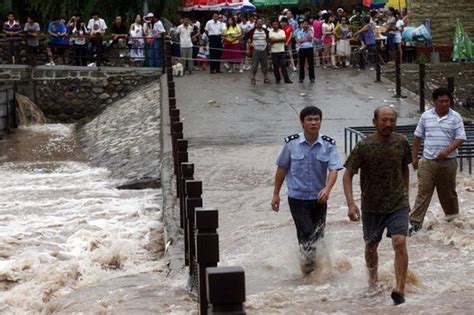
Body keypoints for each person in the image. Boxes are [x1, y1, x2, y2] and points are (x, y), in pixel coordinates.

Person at [343, 106, 412, 305]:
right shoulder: (364, 146)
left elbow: (404, 168)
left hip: (397, 203)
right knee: (372, 246)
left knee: (399, 241)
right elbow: (347, 175)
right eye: (384, 120)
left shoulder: (401, 142)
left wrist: (406, 195)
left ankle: (400, 288)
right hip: (371, 205)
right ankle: (372, 282)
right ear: (374, 122)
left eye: (392, 120)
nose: (388, 124)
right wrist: (351, 204)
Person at [272, 106, 342, 275]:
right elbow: (282, 168)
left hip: (319, 199)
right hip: (298, 198)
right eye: (309, 120)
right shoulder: (291, 144)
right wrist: (276, 194)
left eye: (316, 119)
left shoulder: (328, 144)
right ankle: (309, 272)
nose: (313, 123)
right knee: (306, 234)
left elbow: (334, 169)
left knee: (318, 236)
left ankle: (316, 270)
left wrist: (327, 188)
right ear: (302, 123)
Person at [409, 88, 467, 234]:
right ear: (434, 102)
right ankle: (415, 224)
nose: (445, 104)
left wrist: (447, 150)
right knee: (423, 192)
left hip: (448, 162)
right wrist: (414, 156)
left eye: (447, 101)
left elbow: (460, 137)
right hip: (428, 161)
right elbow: (417, 136)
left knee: (448, 194)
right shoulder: (426, 116)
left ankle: (453, 222)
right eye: (441, 101)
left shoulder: (456, 117)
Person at [248, 18, 270, 85]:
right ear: (256, 23)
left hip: (264, 50)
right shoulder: (252, 31)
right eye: (258, 22)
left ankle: (265, 78)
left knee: (265, 65)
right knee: (254, 65)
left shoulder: (266, 31)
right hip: (255, 50)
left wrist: (268, 44)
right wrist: (249, 44)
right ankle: (253, 79)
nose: (259, 24)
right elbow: (246, 38)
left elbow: (268, 38)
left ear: (262, 23)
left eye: (261, 22)